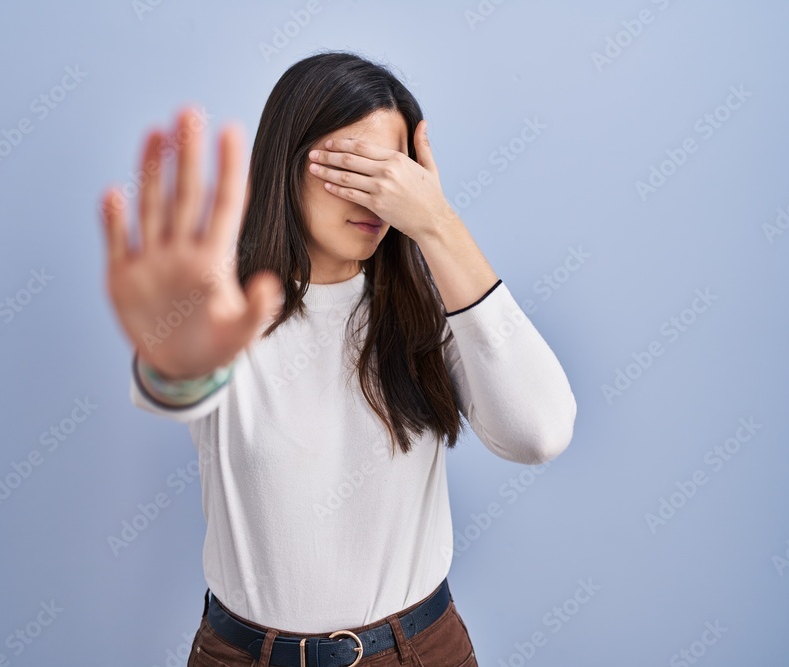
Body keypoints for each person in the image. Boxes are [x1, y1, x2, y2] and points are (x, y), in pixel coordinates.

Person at [99, 51, 577, 667]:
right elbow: (177, 381)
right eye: (350, 166)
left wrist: (440, 228)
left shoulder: (429, 310)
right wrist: (173, 354)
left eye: (393, 173)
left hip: (416, 651)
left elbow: (539, 433)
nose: (373, 194)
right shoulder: (228, 312)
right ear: (286, 162)